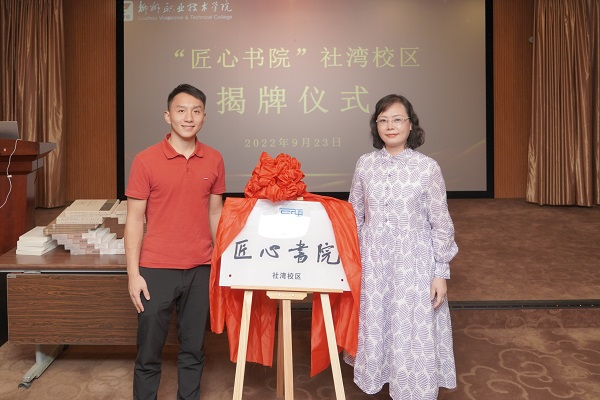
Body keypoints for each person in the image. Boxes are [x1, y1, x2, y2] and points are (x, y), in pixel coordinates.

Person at [345, 94, 458, 400]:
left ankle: (413, 387)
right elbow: (353, 214)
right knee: (378, 320)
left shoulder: (427, 168)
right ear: (376, 126)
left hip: (414, 263)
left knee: (411, 325)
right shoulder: (365, 164)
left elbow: (441, 222)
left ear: (410, 125)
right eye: (383, 120)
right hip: (374, 262)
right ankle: (379, 374)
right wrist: (352, 260)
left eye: (397, 119)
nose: (390, 126)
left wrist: (440, 272)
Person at [125, 83, 226, 400]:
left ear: (204, 117)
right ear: (168, 116)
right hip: (155, 269)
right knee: (148, 353)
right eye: (181, 111)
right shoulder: (145, 160)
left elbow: (215, 213)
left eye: (196, 111)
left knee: (194, 350)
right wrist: (133, 274)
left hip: (201, 268)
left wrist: (221, 262)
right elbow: (134, 220)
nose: (188, 117)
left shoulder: (214, 159)